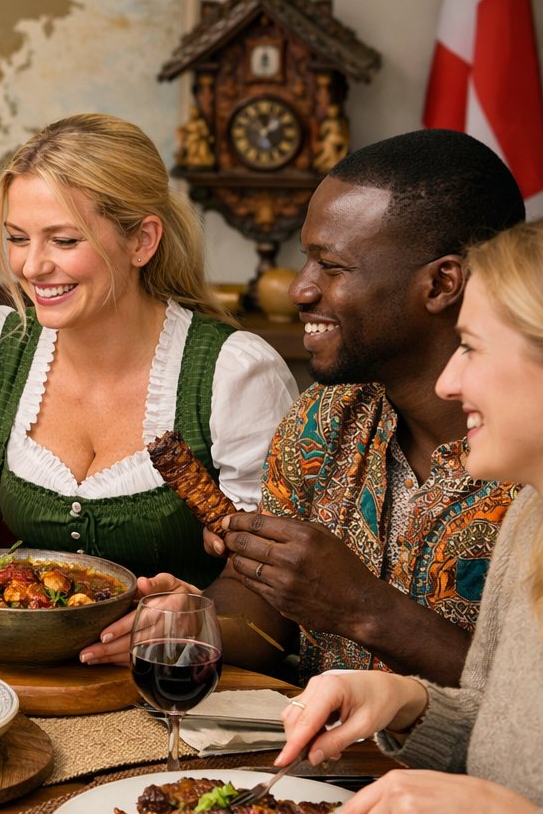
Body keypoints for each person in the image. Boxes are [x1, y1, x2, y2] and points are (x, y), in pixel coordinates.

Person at [85, 128, 525, 684]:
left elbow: (527, 707)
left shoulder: (525, 454)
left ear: (441, 284)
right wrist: (197, 621)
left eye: (332, 266)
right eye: (305, 260)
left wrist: (364, 606)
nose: (300, 290)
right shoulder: (324, 416)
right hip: (315, 761)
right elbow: (264, 605)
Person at [275, 218, 543, 814]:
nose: (451, 382)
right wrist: (410, 704)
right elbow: (502, 724)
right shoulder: (532, 513)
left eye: (473, 348)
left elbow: (510, 799)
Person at [0, 114, 296, 590]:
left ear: (142, 241)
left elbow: (268, 603)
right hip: (22, 658)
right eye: (17, 238)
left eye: (64, 240)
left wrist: (182, 622)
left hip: (173, 663)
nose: (32, 266)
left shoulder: (237, 374)